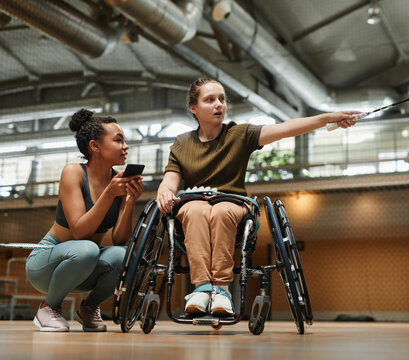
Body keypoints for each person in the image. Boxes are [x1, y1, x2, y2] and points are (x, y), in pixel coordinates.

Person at [156, 78, 358, 316]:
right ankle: (201, 288)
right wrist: (164, 190)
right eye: (210, 100)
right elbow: (170, 180)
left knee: (220, 212)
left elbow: (286, 128)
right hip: (194, 204)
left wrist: (327, 118)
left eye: (221, 99)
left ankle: (221, 290)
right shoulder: (181, 143)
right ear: (194, 108)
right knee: (195, 210)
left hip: (232, 203)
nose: (218, 104)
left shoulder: (240, 134)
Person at [25, 109, 143, 332]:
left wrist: (129, 201)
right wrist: (109, 194)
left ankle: (88, 308)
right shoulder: (73, 172)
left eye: (124, 141)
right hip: (46, 265)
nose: (125, 146)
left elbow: (119, 239)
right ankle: (48, 308)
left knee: (124, 255)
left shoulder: (117, 180)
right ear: (95, 146)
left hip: (83, 267)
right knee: (87, 248)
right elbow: (79, 231)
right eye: (118, 140)